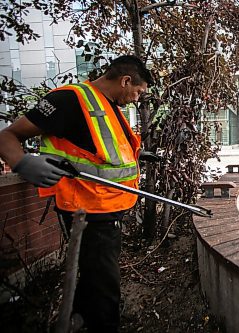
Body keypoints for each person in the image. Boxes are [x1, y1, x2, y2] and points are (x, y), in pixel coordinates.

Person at [0, 55, 156, 332]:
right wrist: (21, 162)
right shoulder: (70, 100)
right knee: (104, 289)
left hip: (106, 208)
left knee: (94, 279)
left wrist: (137, 154)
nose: (136, 98)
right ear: (125, 80)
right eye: (138, 92)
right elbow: (7, 136)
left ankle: (81, 321)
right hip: (87, 210)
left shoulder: (107, 105)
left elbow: (96, 151)